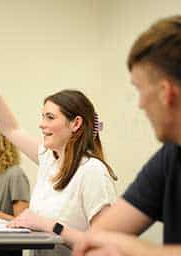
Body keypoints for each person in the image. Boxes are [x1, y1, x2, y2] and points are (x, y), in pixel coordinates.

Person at [0, 36, 117, 256]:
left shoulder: (93, 172)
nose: (42, 124)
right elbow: (10, 129)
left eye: (50, 117)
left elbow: (103, 247)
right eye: (42, 117)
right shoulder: (49, 158)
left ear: (75, 123)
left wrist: (47, 225)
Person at [72, 15, 181, 256]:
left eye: (139, 89)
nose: (140, 104)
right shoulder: (170, 156)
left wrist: (137, 250)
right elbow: (96, 238)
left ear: (166, 92)